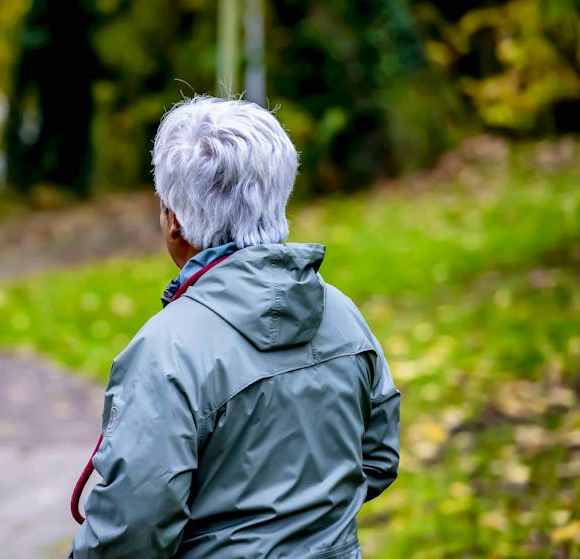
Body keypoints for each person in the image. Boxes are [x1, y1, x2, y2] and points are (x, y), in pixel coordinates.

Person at [69, 96, 401, 558]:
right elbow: (378, 458)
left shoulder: (166, 351)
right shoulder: (342, 314)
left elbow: (131, 532)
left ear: (175, 222)